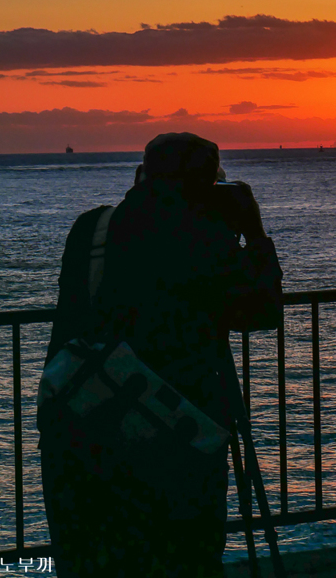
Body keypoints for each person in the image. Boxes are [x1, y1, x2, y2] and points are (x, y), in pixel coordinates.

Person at [38, 132, 283, 578]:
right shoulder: (205, 237)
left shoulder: (91, 228)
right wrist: (252, 230)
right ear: (207, 184)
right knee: (186, 561)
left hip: (82, 430)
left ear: (144, 174)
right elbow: (262, 312)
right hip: (178, 436)